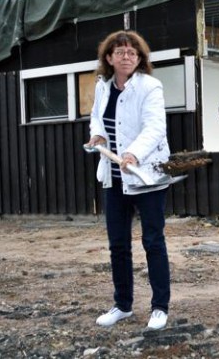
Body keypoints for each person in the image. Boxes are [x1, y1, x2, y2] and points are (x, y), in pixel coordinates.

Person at [87, 30, 171, 330]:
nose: (126, 56)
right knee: (118, 245)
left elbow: (155, 127)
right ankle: (122, 305)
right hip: (114, 176)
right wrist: (97, 135)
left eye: (132, 52)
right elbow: (97, 117)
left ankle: (160, 307)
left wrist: (134, 153)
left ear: (140, 58)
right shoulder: (103, 86)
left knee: (153, 241)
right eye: (120, 52)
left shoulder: (150, 86)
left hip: (145, 175)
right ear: (109, 58)